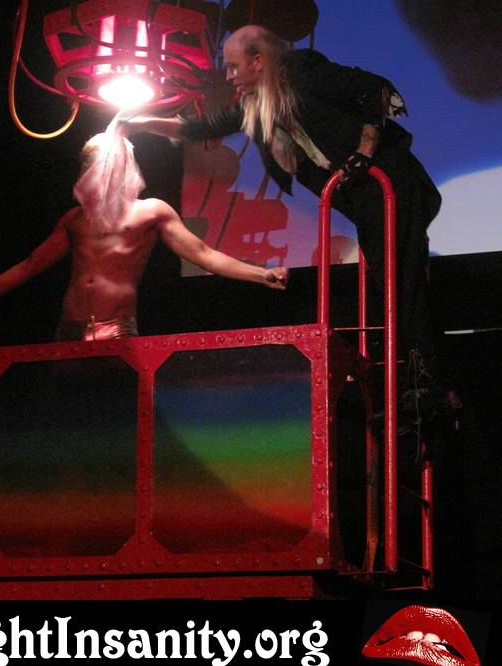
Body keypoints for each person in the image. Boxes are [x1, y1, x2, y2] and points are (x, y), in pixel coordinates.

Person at [124, 25, 446, 400]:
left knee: (398, 284)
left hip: (389, 181)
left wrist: (364, 150)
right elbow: (203, 127)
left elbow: (373, 88)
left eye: (233, 66)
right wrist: (138, 123)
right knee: (391, 284)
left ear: (258, 61)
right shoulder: (256, 104)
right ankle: (423, 381)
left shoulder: (300, 72)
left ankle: (429, 384)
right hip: (365, 196)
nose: (228, 76)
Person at [0, 122, 288, 340]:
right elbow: (30, 265)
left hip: (116, 328)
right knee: (68, 418)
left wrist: (261, 274)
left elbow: (203, 254)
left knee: (116, 412)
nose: (100, 169)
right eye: (94, 163)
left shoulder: (150, 211)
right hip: (70, 326)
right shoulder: (75, 219)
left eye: (108, 161)